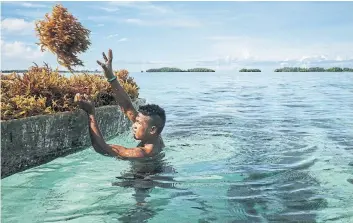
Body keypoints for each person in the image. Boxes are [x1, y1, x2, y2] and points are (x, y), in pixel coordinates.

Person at [74, 49, 166, 163]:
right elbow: (127, 107)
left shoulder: (144, 152)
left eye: (138, 123)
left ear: (152, 130)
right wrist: (111, 77)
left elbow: (102, 148)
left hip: (144, 180)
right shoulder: (155, 135)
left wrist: (90, 113)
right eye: (136, 121)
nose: (134, 125)